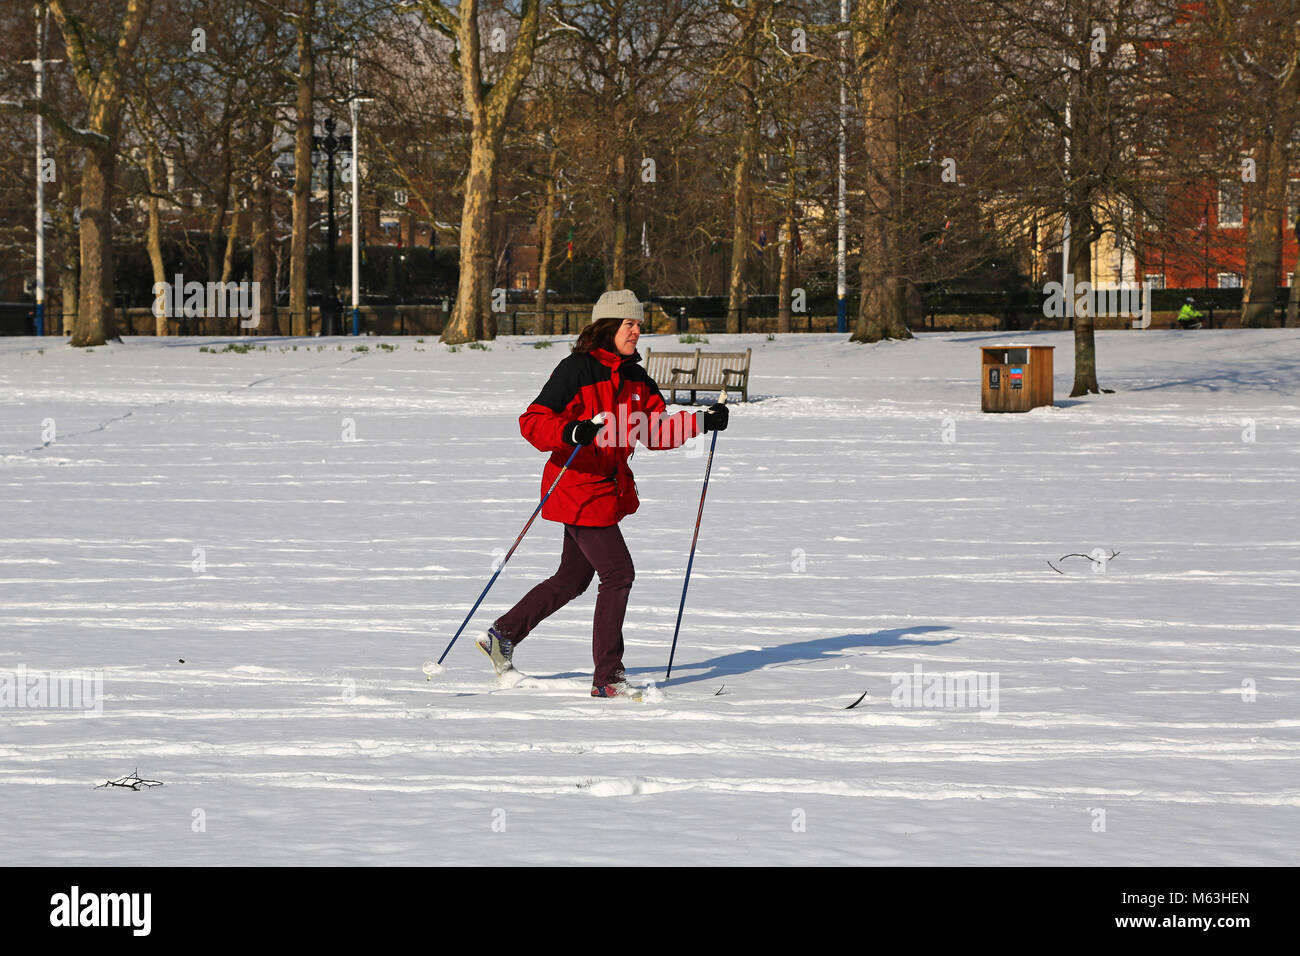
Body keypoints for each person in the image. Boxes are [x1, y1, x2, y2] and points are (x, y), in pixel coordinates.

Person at [477, 289, 729, 698]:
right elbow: (532, 422)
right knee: (619, 573)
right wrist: (570, 431)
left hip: (606, 489)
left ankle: (502, 634)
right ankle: (608, 677)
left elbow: (654, 432)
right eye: (629, 323)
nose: (636, 330)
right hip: (575, 485)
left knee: (573, 578)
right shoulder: (576, 370)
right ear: (607, 325)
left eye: (639, 324)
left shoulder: (636, 379)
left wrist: (702, 422)